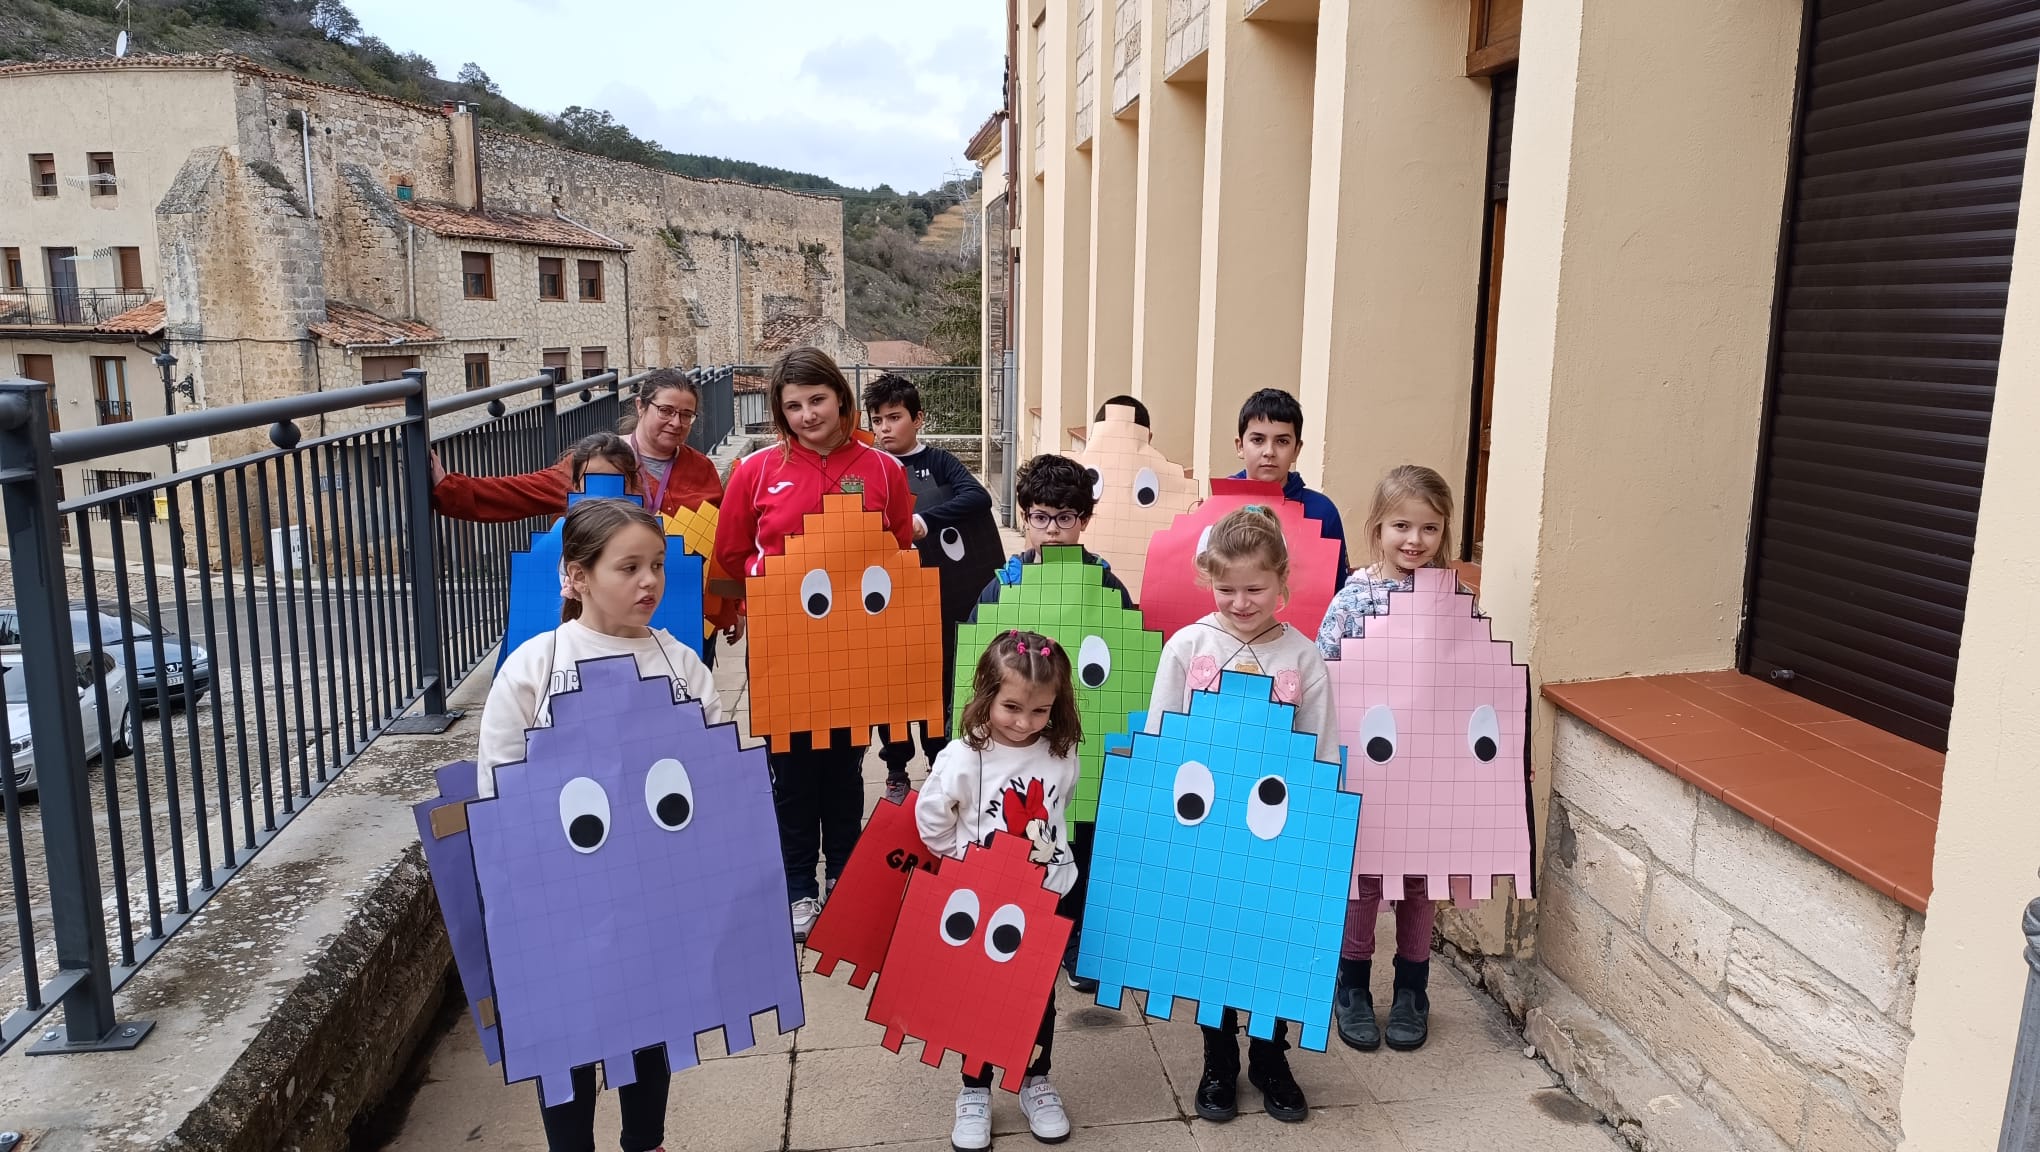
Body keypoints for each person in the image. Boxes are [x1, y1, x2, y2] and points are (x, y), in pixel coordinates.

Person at [476, 497, 720, 1152]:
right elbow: (498, 790)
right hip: (558, 901)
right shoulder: (534, 667)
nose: (648, 583)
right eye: (628, 567)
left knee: (650, 1026)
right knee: (567, 1040)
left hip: (655, 894)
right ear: (577, 576)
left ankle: (645, 1140)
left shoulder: (680, 666)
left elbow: (715, 781)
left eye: (657, 567)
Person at [716, 347, 916, 943]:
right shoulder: (756, 471)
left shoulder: (884, 470)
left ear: (841, 397)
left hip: (857, 648)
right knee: (792, 770)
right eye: (793, 406)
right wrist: (736, 608)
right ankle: (798, 884)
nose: (807, 415)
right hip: (784, 646)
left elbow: (900, 550)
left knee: (847, 768)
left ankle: (845, 880)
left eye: (817, 400)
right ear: (779, 412)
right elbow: (729, 553)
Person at [1148, 504, 1336, 1125]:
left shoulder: (1303, 658)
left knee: (1271, 940)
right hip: (1204, 832)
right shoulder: (1188, 646)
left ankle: (1269, 1055)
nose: (1241, 601)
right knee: (1211, 942)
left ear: (1282, 582)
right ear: (1209, 581)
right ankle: (1218, 1056)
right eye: (1226, 588)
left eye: (1255, 588)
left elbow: (1322, 747)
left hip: (1275, 832)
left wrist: (1316, 830)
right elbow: (1161, 736)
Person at [431, 368, 734, 662]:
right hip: (613, 616)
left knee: (687, 694)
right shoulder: (598, 463)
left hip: (685, 611)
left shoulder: (702, 469)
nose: (675, 422)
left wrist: (730, 607)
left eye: (686, 415)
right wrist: (448, 488)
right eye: (666, 410)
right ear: (641, 406)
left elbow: (719, 543)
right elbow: (521, 492)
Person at [1315, 464, 1466, 1055]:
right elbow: (1326, 677)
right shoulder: (1353, 599)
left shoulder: (1453, 600)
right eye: (1401, 525)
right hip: (1367, 771)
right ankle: (1351, 985)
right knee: (1366, 879)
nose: (1415, 540)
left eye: (1429, 528)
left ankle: (1412, 988)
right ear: (1377, 527)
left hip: (1428, 774)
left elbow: (1468, 680)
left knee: (1421, 882)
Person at [971, 452, 1132, 996]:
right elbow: (978, 657)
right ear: (1024, 517)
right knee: (1027, 827)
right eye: (1041, 516)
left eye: (1066, 517)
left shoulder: (1107, 586)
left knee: (1081, 832)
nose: (1054, 530)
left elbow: (1129, 661)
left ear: (1085, 520)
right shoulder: (1004, 587)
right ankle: (1030, 917)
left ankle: (1079, 931)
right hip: (1021, 737)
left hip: (1082, 735)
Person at [916, 629, 1082, 1151]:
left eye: (1039, 711)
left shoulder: (1060, 752)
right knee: (977, 998)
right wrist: (965, 866)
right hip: (984, 900)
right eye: (1011, 707)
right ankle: (975, 1090)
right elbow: (932, 822)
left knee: (1038, 998)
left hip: (1047, 894)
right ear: (986, 695)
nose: (1024, 722)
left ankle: (1035, 1079)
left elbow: (1060, 807)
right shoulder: (965, 757)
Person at [865, 372, 1003, 804]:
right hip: (886, 600)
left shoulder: (939, 462)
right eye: (877, 420)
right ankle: (894, 766)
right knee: (891, 683)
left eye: (894, 417)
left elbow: (978, 498)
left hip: (941, 598)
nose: (885, 428)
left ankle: (939, 759)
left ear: (918, 418)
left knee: (940, 678)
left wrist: (925, 520)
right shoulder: (870, 467)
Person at [1231, 387, 1350, 590]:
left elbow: (1337, 590)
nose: (1269, 452)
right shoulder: (1220, 505)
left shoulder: (1322, 511)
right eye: (1258, 440)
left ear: (1296, 450)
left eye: (1282, 441)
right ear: (1240, 446)